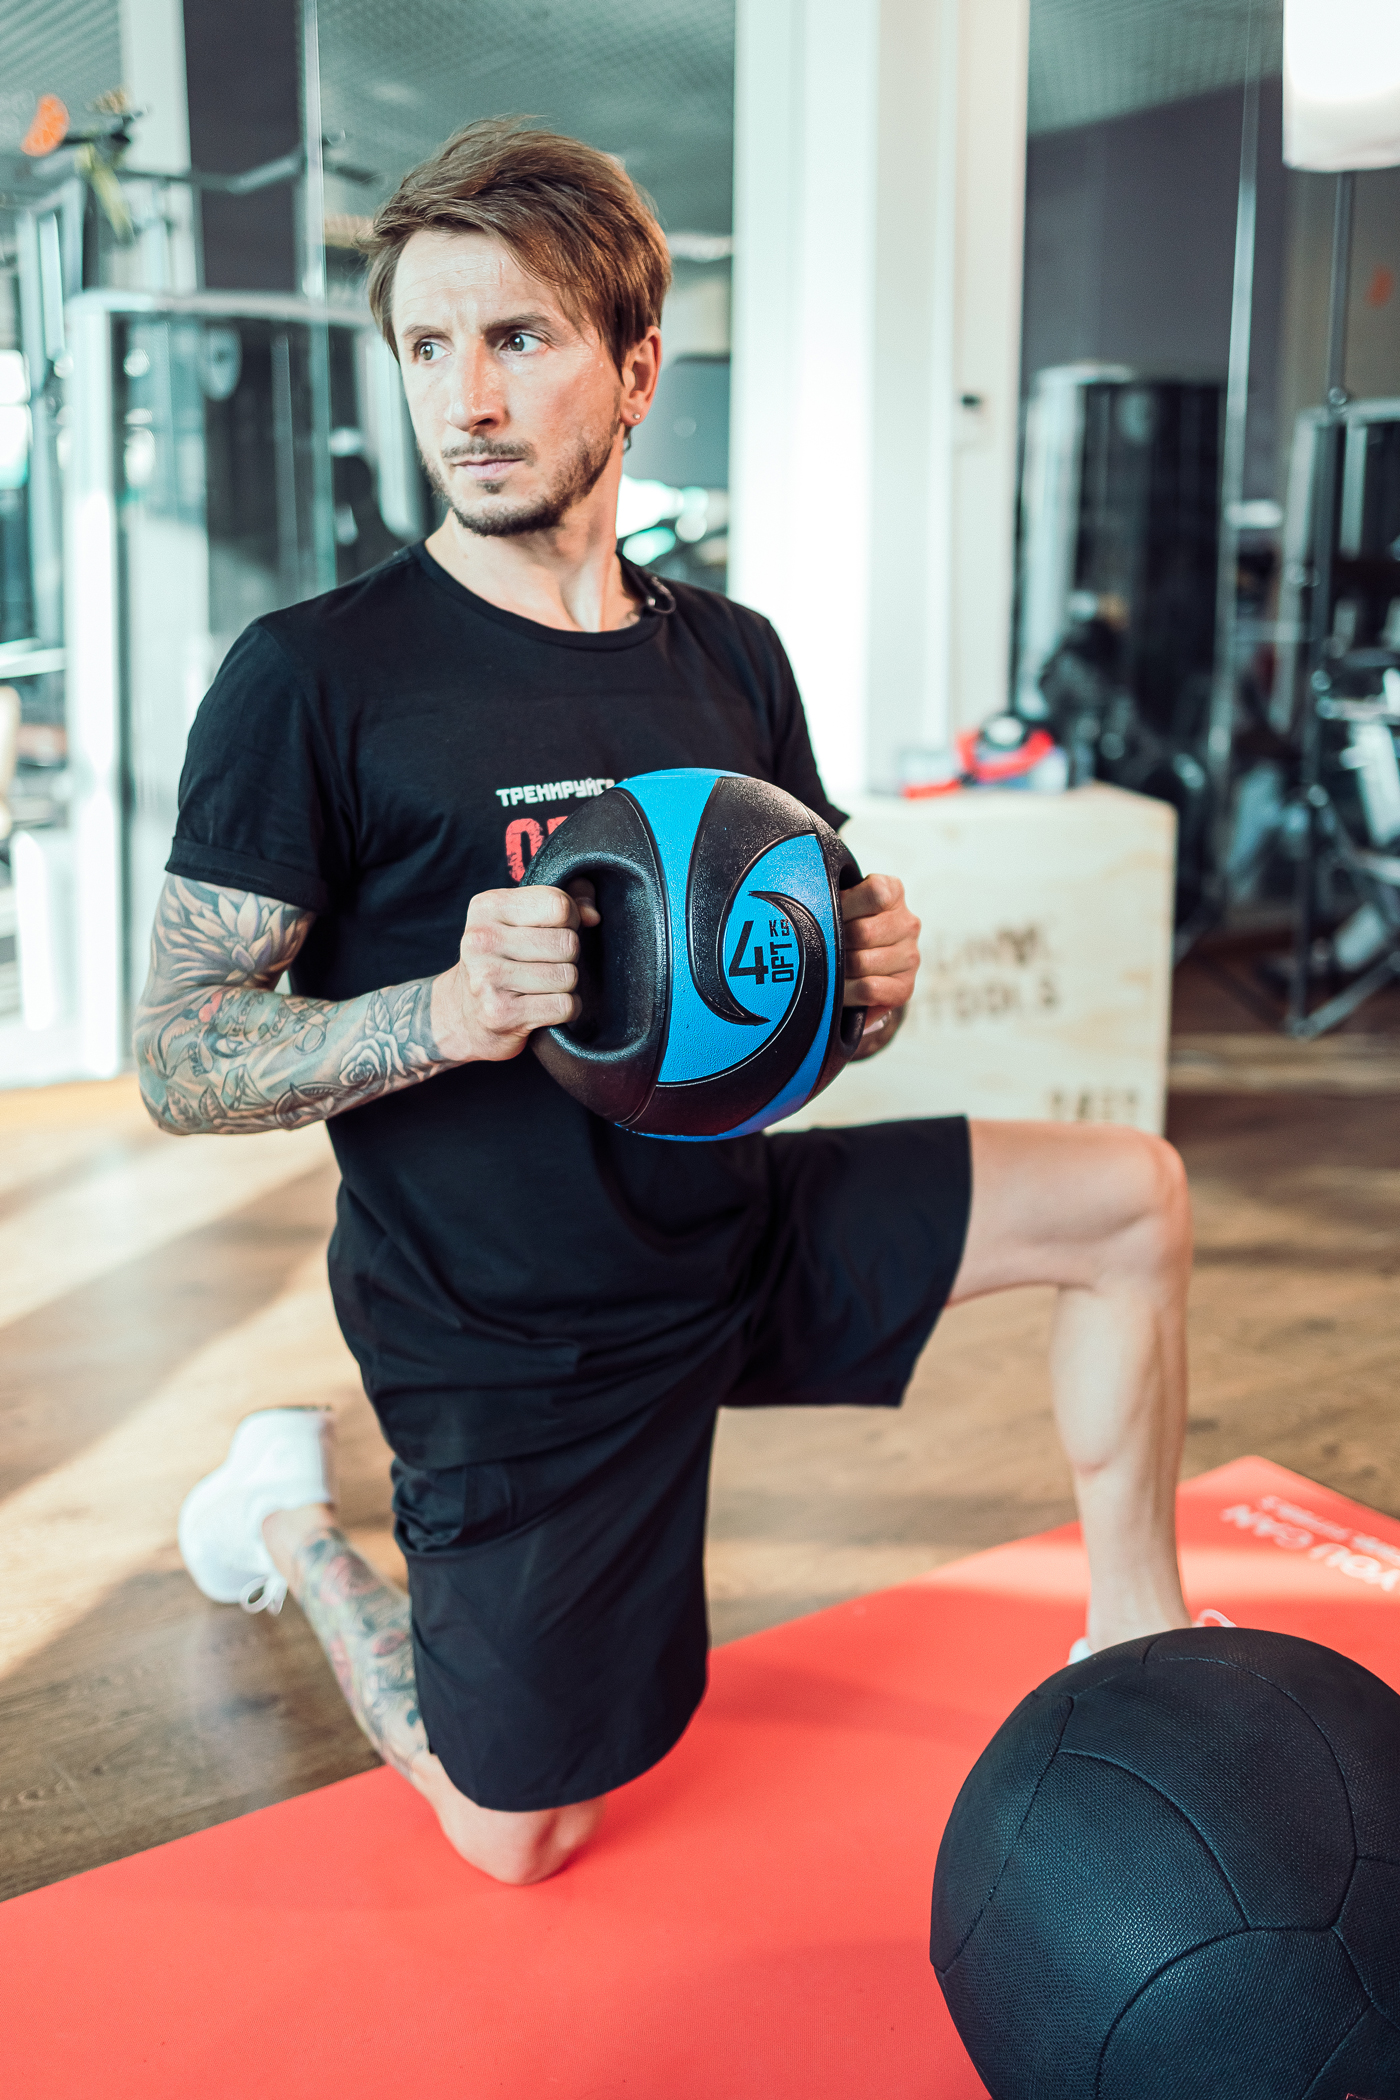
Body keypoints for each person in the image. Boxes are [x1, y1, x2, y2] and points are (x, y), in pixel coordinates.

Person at [135, 120, 1193, 1889]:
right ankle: (289, 1518)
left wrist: (868, 990)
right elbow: (176, 1055)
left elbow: (797, 1007)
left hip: (737, 1230)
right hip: (514, 1339)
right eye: (427, 345)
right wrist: (443, 1009)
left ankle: (1146, 1650)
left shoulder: (733, 657)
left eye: (518, 337)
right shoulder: (314, 678)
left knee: (1132, 1202)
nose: (466, 397)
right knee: (519, 1836)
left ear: (635, 371)